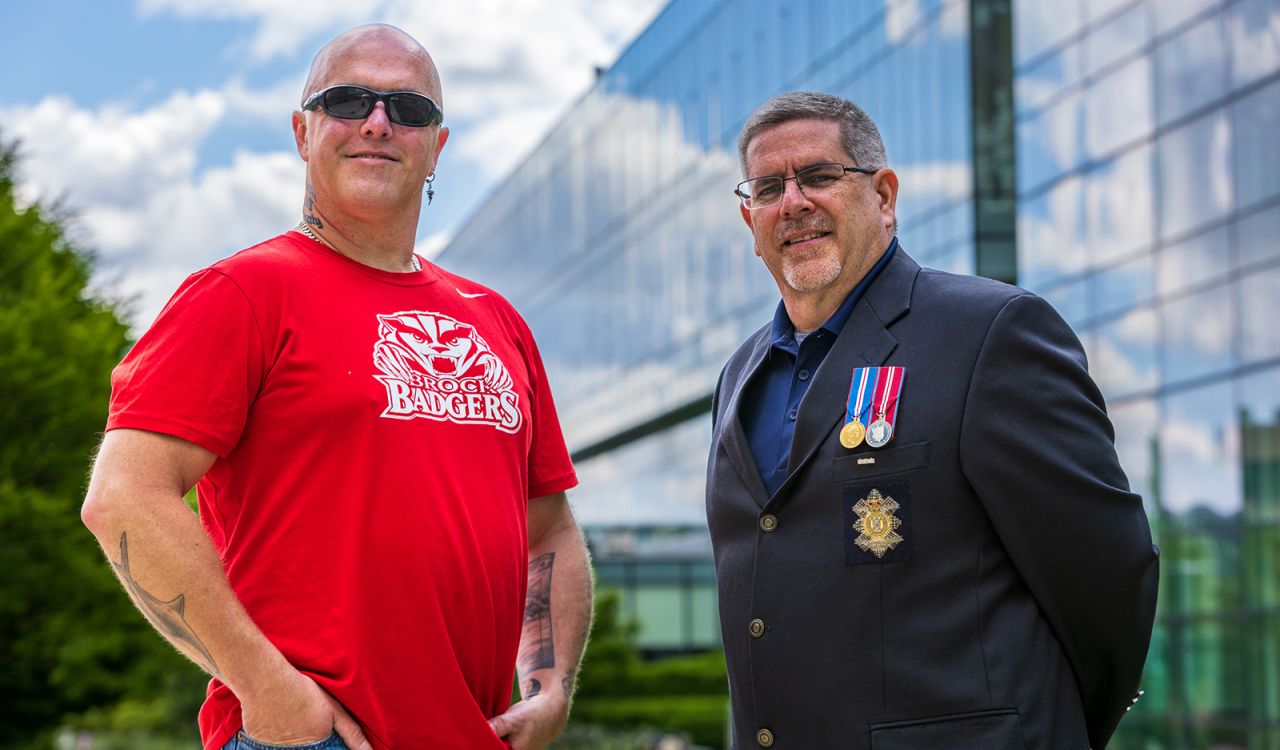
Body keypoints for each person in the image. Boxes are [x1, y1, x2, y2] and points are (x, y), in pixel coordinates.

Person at [81, 24, 591, 750]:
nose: (378, 123)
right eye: (349, 100)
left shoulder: (497, 321)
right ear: (302, 130)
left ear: (437, 147)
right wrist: (265, 688)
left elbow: (550, 529)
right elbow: (125, 495)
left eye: (408, 110)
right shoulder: (242, 292)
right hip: (308, 739)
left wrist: (550, 684)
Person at [705, 91, 1159, 749]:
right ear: (751, 222)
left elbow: (1108, 572)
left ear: (884, 196)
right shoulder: (738, 376)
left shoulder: (990, 333)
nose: (794, 202)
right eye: (769, 187)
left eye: (821, 176)